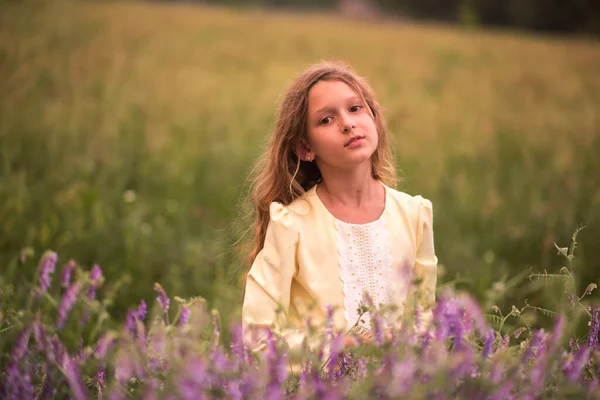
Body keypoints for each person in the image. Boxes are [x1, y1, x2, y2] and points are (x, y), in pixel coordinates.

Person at [242, 61, 438, 359]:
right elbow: (257, 340)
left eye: (355, 108)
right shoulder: (291, 225)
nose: (347, 123)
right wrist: (340, 347)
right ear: (305, 148)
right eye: (326, 120)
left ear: (373, 117)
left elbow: (425, 317)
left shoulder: (414, 214)